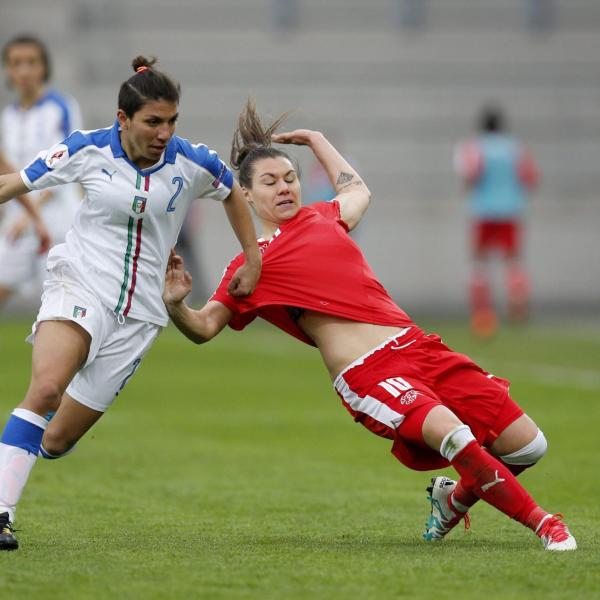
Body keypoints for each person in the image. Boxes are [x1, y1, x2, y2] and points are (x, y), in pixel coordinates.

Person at [163, 99, 575, 552]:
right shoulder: (249, 265)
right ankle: (546, 524)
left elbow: (358, 190)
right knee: (453, 433)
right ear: (245, 195)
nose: (284, 188)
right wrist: (177, 306)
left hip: (417, 346)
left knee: (528, 447)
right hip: (368, 372)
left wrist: (318, 141)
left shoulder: (323, 216)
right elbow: (203, 327)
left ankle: (452, 501)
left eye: (290, 178)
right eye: (270, 182)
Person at [0, 56, 262, 551]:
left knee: (55, 440)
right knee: (48, 387)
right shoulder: (87, 150)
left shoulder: (192, 161)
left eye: (172, 120)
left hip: (141, 314)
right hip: (79, 285)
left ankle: (7, 457)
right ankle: (1, 511)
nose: (165, 132)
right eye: (153, 121)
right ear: (124, 119)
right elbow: (14, 183)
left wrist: (252, 258)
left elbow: (232, 193)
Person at [0, 35, 83, 311]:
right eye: (16, 63)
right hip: (16, 226)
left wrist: (28, 214)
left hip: (58, 222)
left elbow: (65, 167)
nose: (24, 71)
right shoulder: (8, 117)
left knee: (60, 306)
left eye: (31, 62)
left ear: (44, 67)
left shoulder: (60, 107)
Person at [454, 104, 539, 337]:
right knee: (513, 262)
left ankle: (482, 314)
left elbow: (470, 175)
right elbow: (530, 178)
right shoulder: (516, 148)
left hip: (483, 211)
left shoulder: (474, 147)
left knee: (479, 263)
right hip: (511, 210)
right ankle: (517, 310)